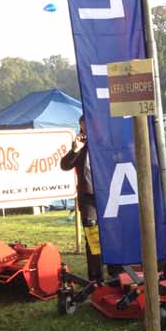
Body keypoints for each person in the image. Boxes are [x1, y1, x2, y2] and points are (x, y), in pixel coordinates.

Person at [60, 114, 103, 283]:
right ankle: (95, 278)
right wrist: (75, 149)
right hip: (88, 197)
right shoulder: (80, 144)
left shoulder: (104, 141)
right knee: (92, 235)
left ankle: (116, 270)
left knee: (112, 233)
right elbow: (64, 165)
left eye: (88, 125)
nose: (86, 129)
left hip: (107, 194)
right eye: (83, 126)